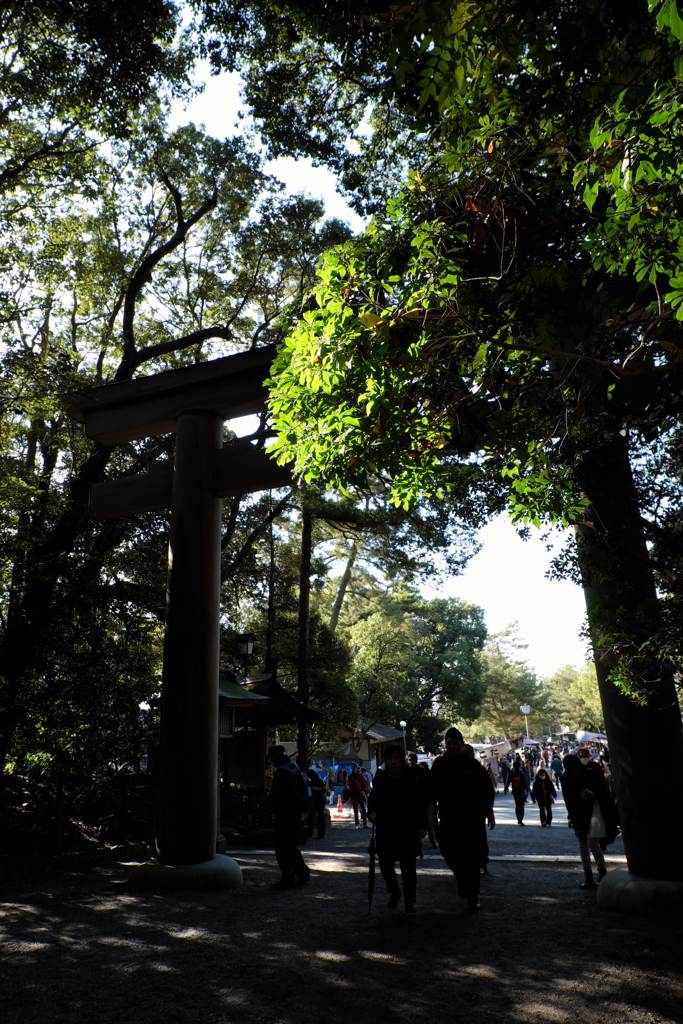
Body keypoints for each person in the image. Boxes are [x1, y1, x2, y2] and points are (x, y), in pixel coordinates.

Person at [428, 727, 495, 912]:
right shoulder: (440, 765)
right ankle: (462, 878)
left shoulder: (473, 766)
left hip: (472, 819)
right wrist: (432, 814)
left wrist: (490, 813)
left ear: (462, 745)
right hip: (449, 818)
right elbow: (431, 792)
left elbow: (486, 791)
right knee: (448, 852)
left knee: (473, 858)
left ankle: (473, 897)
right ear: (446, 744)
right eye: (449, 743)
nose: (452, 747)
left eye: (455, 743)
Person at [368, 743, 429, 915]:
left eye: (396, 758)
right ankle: (394, 891)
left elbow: (419, 804)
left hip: (407, 829)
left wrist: (422, 826)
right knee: (385, 864)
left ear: (402, 761)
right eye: (389, 759)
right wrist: (371, 813)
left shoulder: (412, 779)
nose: (392, 762)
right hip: (386, 828)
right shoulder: (379, 780)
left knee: (408, 867)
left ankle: (410, 903)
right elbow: (373, 802)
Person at [561, 752, 619, 888]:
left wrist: (592, 796)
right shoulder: (586, 774)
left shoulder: (572, 777)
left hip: (592, 811)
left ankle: (593, 876)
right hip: (583, 812)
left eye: (573, 771)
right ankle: (597, 874)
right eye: (570, 771)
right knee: (588, 844)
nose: (572, 774)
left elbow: (569, 799)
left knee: (590, 843)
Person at [267, 745, 311, 890]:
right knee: (293, 846)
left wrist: (271, 802)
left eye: (272, 757)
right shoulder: (294, 767)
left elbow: (277, 796)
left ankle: (288, 878)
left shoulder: (281, 772)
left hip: (285, 815)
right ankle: (302, 873)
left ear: (276, 756)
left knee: (282, 848)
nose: (272, 760)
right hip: (297, 815)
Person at [407, 751, 438, 848]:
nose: (410, 762)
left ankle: (433, 841)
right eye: (409, 760)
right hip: (411, 801)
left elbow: (426, 786)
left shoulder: (421, 771)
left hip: (422, 801)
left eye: (412, 760)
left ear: (416, 761)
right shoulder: (406, 771)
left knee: (427, 822)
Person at [347, 761, 369, 828]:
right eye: (352, 767)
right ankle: (357, 824)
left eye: (354, 767)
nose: (353, 769)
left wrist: (364, 791)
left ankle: (365, 823)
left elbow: (364, 784)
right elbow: (352, 787)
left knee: (364, 809)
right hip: (355, 795)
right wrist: (360, 791)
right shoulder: (350, 777)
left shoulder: (360, 775)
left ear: (357, 768)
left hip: (361, 795)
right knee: (356, 810)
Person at [307, 767, 327, 839]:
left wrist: (317, 789)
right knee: (311, 817)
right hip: (315, 801)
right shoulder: (314, 780)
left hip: (320, 801)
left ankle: (321, 834)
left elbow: (324, 789)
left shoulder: (319, 780)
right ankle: (310, 833)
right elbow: (309, 783)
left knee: (320, 818)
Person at [509, 758, 529, 825]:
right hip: (521, 791)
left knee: (517, 805)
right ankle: (521, 819)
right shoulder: (522, 773)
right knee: (522, 805)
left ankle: (518, 819)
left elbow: (507, 781)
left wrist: (505, 789)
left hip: (515, 790)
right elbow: (525, 782)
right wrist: (527, 789)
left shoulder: (511, 773)